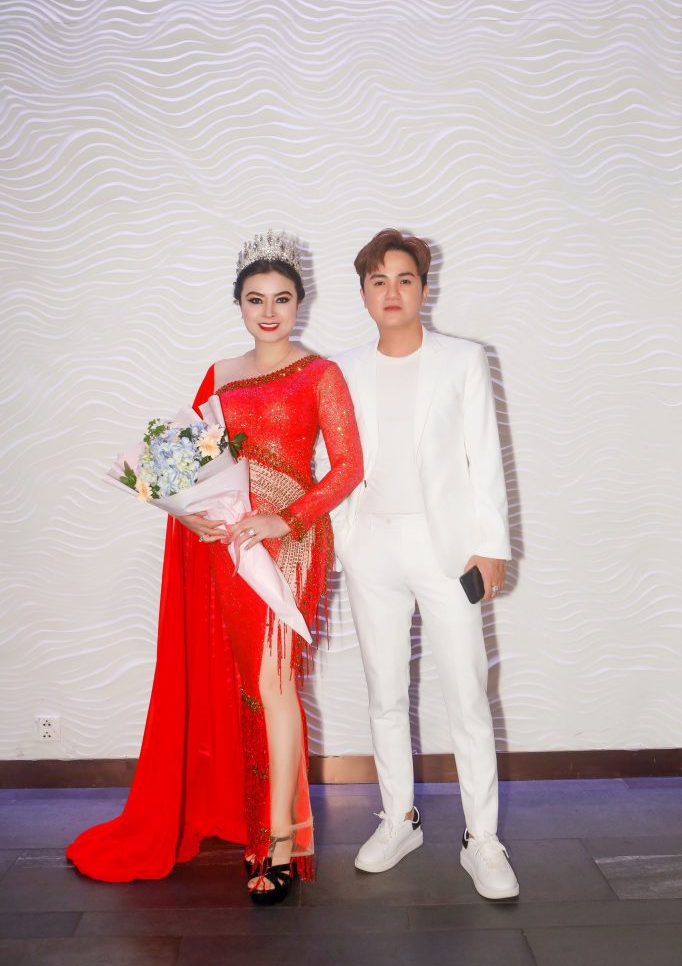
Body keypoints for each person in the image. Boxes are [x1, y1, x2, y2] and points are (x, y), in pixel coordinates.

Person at [67, 231, 363, 905]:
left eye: (282, 299)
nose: (269, 312)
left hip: (290, 543)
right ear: (239, 304)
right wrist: (190, 516)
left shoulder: (321, 375)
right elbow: (196, 465)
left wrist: (285, 520)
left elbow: (348, 467)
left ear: (300, 303)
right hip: (231, 540)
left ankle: (280, 841)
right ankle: (254, 821)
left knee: (275, 682)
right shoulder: (220, 375)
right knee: (253, 687)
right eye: (256, 299)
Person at [330, 228, 519, 900]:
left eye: (404, 279)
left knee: (467, 694)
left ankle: (482, 839)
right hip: (371, 547)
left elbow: (484, 456)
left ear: (424, 288)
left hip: (448, 551)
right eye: (378, 280)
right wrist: (340, 539)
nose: (392, 291)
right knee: (384, 692)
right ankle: (398, 820)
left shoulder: (462, 360)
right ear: (363, 293)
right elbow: (331, 460)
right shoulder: (342, 369)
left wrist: (490, 545)